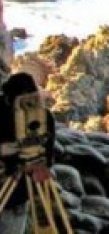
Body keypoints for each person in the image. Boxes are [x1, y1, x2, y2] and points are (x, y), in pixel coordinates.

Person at [0, 72, 56, 234]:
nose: (29, 104)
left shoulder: (43, 117)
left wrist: (42, 165)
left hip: (18, 194)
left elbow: (48, 154)